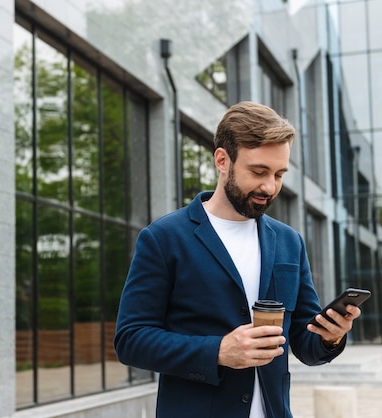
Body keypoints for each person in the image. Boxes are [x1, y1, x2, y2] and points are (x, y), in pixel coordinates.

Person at [114, 101, 362, 418]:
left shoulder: (289, 242)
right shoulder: (164, 238)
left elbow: (303, 344)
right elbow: (131, 340)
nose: (269, 186)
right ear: (222, 160)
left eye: (279, 174)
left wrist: (330, 335)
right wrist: (217, 351)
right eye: (258, 171)